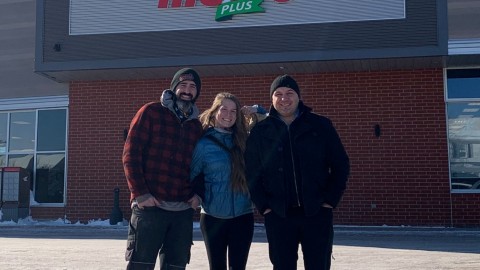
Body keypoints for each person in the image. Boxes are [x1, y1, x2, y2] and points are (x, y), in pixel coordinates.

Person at [245, 75, 350, 270]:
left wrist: (330, 200)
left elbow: (340, 164)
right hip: (278, 215)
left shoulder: (320, 125)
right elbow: (251, 172)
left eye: (289, 93)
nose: (284, 98)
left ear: (298, 96)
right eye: (278, 94)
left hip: (317, 212)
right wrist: (265, 206)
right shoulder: (260, 131)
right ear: (272, 99)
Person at [122, 68, 204, 270]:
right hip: (150, 207)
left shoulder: (197, 125)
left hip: (182, 211)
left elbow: (202, 166)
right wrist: (140, 193)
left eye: (192, 87)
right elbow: (131, 155)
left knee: (176, 266)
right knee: (140, 265)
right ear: (174, 87)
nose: (187, 90)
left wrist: (198, 195)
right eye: (183, 85)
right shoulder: (150, 112)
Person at [190, 92, 254, 270]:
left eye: (233, 111)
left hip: (243, 215)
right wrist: (198, 196)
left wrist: (257, 111)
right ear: (214, 111)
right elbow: (192, 176)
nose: (228, 115)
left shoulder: (245, 140)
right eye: (223, 109)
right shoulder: (203, 144)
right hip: (213, 216)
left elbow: (271, 126)